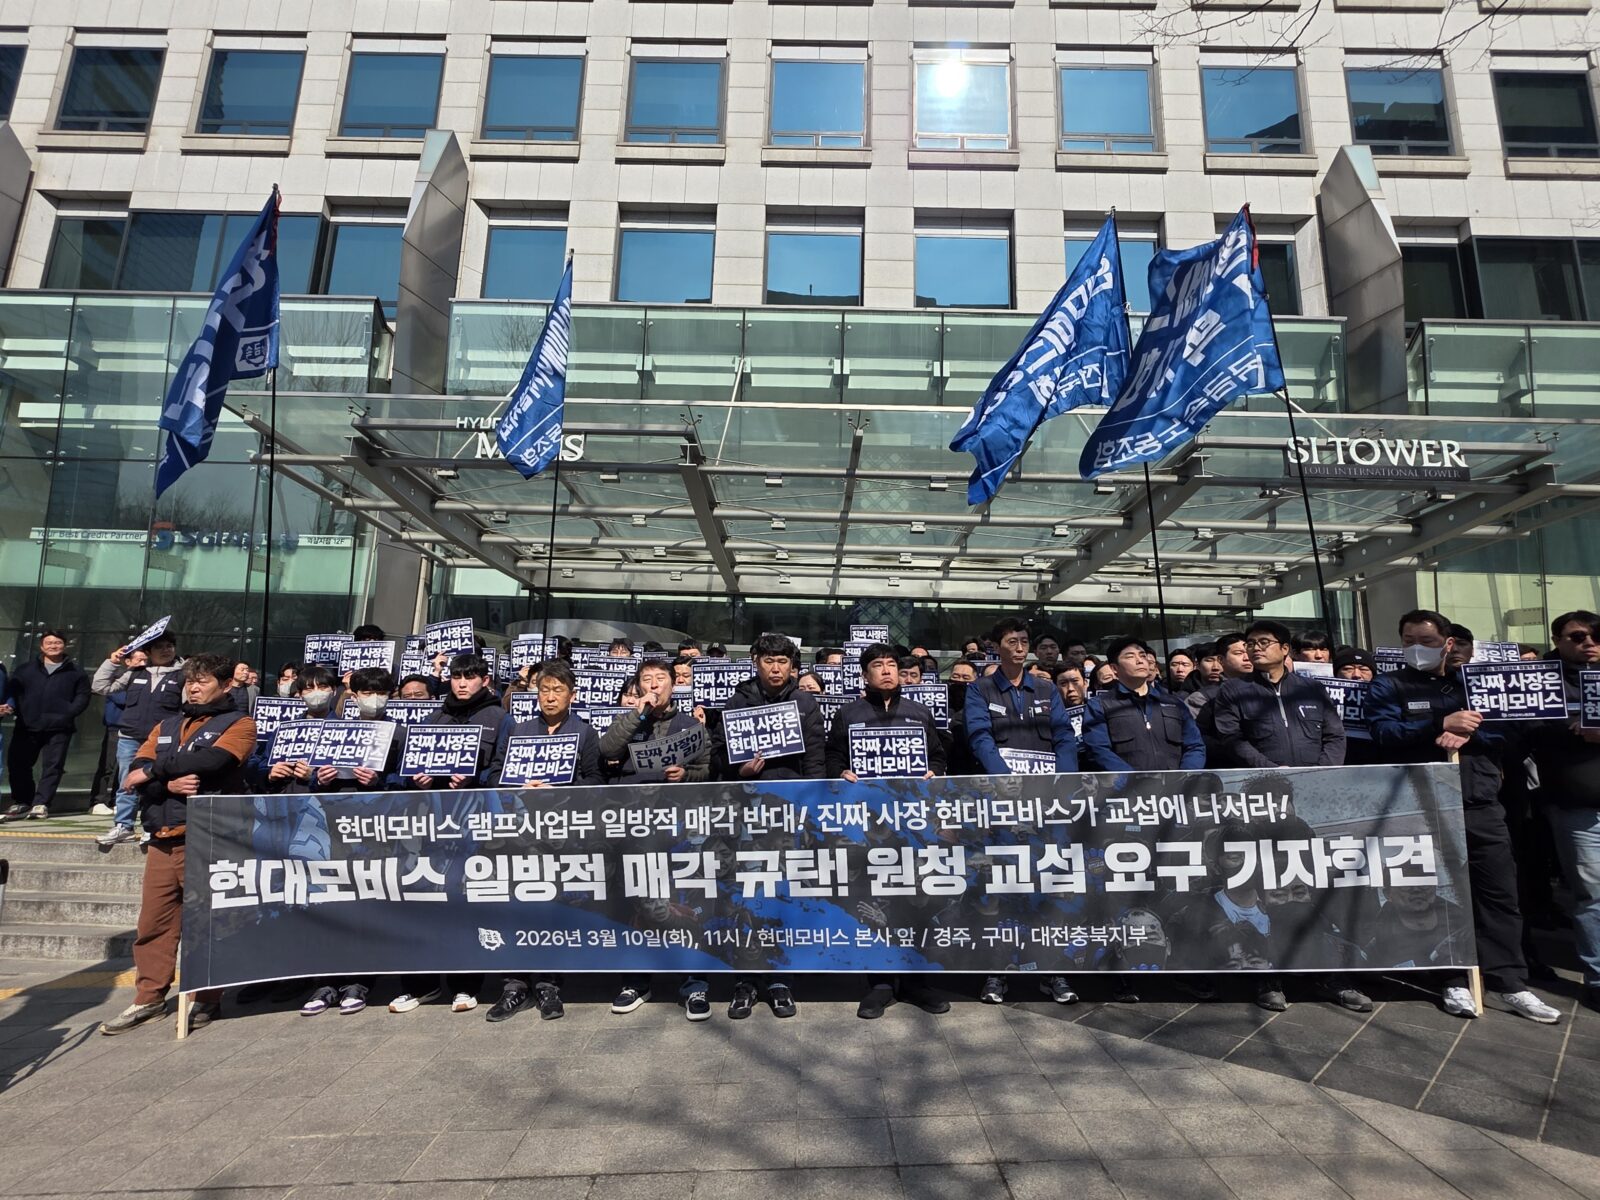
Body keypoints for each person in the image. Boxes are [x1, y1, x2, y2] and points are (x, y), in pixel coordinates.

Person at [1367, 609, 1561, 1024]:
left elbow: (1509, 731)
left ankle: (1509, 982)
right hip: (1420, 807)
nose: (1416, 648)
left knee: (1498, 894)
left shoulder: (1475, 683)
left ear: (1448, 643)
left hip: (1479, 803)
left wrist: (1470, 731)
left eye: (1426, 640)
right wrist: (1436, 723)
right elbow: (1384, 734)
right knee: (1441, 895)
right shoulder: (1390, 684)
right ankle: (1452, 976)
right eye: (1408, 640)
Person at [99, 654, 257, 1036]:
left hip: (207, 837)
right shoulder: (166, 724)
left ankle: (208, 996)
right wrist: (164, 782)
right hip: (161, 836)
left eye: (203, 681)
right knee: (153, 923)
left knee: (208, 921)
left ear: (227, 685)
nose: (194, 687)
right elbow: (134, 771)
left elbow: (214, 762)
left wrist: (153, 772)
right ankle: (148, 998)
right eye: (191, 681)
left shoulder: (240, 723)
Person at [824, 644, 950, 1020]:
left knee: (915, 895)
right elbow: (833, 756)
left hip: (913, 823)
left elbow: (940, 756)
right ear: (865, 675)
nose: (886, 671)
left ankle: (914, 981)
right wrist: (840, 773)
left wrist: (935, 773)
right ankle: (879, 983)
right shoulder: (848, 714)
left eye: (892, 665)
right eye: (877, 666)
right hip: (867, 824)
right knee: (873, 895)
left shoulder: (919, 713)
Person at [963, 617, 1079, 1005]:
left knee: (1047, 885)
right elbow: (980, 736)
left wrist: (1062, 779)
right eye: (1012, 641)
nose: (1019, 646)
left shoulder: (1045, 688)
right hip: (1001, 801)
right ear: (996, 647)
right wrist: (1004, 780)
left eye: (1024, 641)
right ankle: (996, 971)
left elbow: (1063, 734)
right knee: (1001, 885)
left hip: (1045, 802)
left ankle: (1053, 971)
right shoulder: (980, 689)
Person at [484, 659, 603, 1025]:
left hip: (563, 835)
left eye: (558, 690)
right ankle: (514, 985)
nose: (550, 697)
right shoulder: (519, 730)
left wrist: (560, 787)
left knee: (553, 908)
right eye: (544, 690)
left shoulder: (584, 732)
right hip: (519, 835)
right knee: (517, 906)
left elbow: (596, 781)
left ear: (572, 695)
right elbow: (493, 774)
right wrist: (515, 785)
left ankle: (549, 984)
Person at [714, 633, 823, 1019]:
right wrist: (737, 768)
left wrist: (811, 809)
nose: (776, 668)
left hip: (789, 815)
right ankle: (744, 980)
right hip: (745, 814)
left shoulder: (804, 702)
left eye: (783, 662)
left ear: (792, 666)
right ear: (756, 661)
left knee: (781, 896)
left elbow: (814, 759)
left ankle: (780, 980)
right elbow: (719, 755)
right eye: (768, 661)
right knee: (744, 896)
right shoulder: (739, 700)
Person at [599, 656, 713, 1020]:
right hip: (635, 829)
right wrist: (637, 714)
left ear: (673, 683)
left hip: (679, 831)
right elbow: (606, 751)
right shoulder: (631, 720)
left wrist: (688, 775)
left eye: (660, 678)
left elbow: (709, 770)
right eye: (646, 679)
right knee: (639, 903)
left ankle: (694, 982)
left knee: (683, 903)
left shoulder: (688, 724)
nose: (653, 685)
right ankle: (636, 981)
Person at [1532, 610, 1600, 1014]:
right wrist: (1573, 725)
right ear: (1557, 640)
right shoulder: (1541, 681)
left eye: (1595, 636)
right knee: (1592, 895)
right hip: (1577, 807)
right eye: (1577, 637)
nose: (1588, 642)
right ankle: (1597, 977)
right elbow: (1526, 727)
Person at [1207, 621, 1345, 771]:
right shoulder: (1232, 690)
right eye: (1251, 644)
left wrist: (1323, 771)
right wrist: (1271, 770)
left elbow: (1335, 736)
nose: (1256, 648)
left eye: (1264, 642)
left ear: (1285, 649)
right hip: (1262, 781)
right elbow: (1231, 738)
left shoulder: (1312, 689)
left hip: (1316, 780)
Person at [93, 635, 187, 844]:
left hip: (162, 740)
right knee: (126, 782)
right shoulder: (134, 673)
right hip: (129, 736)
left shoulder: (182, 677)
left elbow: (188, 707)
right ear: (148, 652)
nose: (166, 650)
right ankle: (123, 826)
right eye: (160, 647)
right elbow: (100, 687)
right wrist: (112, 662)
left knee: (155, 782)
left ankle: (151, 827)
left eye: (170, 646)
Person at [1080, 637, 1206, 774]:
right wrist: (1133, 781)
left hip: (1174, 790)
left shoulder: (1173, 703)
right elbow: (1098, 750)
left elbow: (1195, 746)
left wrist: (1184, 777)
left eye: (1142, 655)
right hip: (1129, 791)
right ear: (1114, 668)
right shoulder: (1100, 705)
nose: (1140, 661)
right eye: (1130, 656)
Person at [1, 631, 90, 822]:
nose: (53, 646)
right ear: (41, 647)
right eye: (48, 643)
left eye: (57, 642)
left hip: (59, 727)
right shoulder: (25, 670)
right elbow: (13, 693)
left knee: (53, 767)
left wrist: (68, 712)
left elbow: (83, 696)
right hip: (27, 725)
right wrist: (14, 709)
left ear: (64, 646)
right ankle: (22, 801)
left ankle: (41, 804)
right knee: (18, 764)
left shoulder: (76, 672)